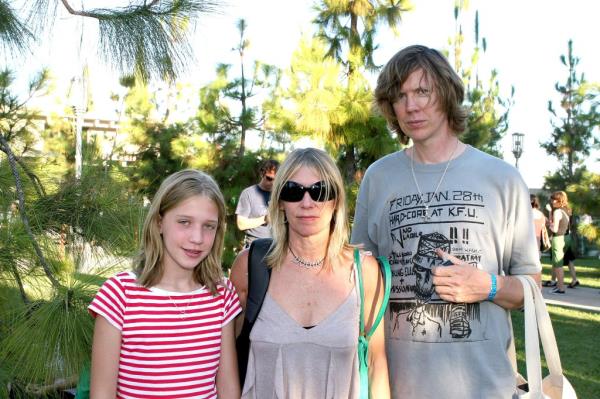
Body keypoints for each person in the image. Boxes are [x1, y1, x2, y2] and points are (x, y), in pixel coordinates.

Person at [351, 44, 541, 398]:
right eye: (400, 96)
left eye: (423, 91)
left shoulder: (501, 178)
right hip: (398, 387)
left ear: (447, 93)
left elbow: (531, 289)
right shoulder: (378, 178)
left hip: (485, 388)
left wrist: (489, 286)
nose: (411, 106)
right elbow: (359, 283)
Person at [230, 148, 390, 398]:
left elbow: (377, 368)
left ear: (336, 200)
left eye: (320, 191)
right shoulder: (250, 266)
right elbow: (222, 360)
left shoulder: (364, 272)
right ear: (280, 202)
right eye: (293, 191)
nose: (307, 203)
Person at [88, 169, 241, 398]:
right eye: (184, 222)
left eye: (208, 226)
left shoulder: (222, 293)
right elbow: (102, 394)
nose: (197, 238)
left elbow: (228, 388)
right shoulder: (119, 294)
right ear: (160, 222)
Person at [236, 159, 279, 248]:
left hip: (276, 246)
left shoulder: (280, 195)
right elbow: (241, 224)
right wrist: (264, 219)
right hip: (254, 246)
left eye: (276, 180)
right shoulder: (248, 193)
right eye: (269, 178)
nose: (272, 183)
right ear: (261, 174)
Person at [546, 190, 578, 293]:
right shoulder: (566, 210)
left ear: (558, 200)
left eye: (553, 199)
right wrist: (550, 212)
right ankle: (559, 286)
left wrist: (549, 225)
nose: (552, 201)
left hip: (558, 239)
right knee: (559, 262)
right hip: (567, 237)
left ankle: (560, 288)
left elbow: (554, 229)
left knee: (558, 264)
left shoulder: (557, 211)